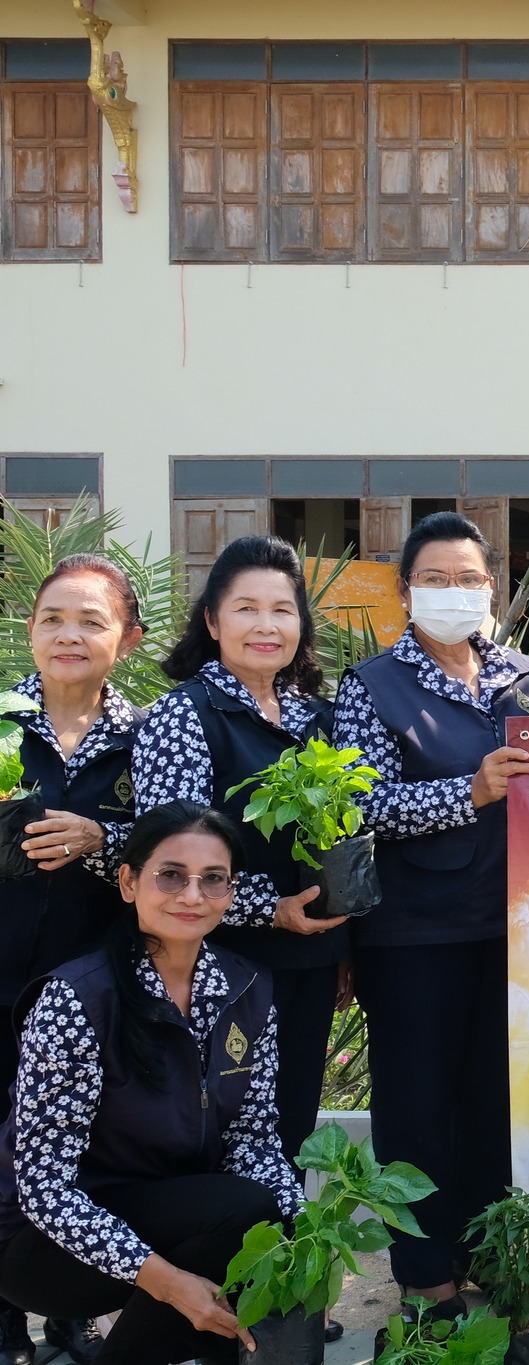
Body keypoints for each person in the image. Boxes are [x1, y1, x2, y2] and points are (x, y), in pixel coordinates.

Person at [330, 513, 529, 1327]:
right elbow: (361, 805)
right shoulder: (373, 685)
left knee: (496, 1102)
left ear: (492, 587)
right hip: (414, 933)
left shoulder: (523, 675)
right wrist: (471, 791)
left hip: (516, 926)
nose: (455, 593)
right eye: (437, 579)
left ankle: (486, 1253)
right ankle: (424, 1278)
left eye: (470, 579)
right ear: (407, 590)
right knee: (417, 1109)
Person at [0, 801, 300, 1365]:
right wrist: (162, 1279)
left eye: (214, 879)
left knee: (265, 1219)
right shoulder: (77, 998)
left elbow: (254, 1140)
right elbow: (44, 1187)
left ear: (231, 892)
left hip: (168, 1211)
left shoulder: (247, 988)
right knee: (238, 1218)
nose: (192, 896)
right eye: (171, 875)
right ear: (128, 881)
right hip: (39, 1246)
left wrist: (306, 1241)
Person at [131, 537, 338, 1171]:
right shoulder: (183, 716)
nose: (266, 625)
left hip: (309, 957)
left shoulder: (318, 719)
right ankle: (215, 1267)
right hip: (218, 961)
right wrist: (269, 908)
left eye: (283, 609)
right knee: (222, 1126)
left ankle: (282, 1261)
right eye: (246, 608)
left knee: (291, 1121)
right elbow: (171, 861)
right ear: (212, 621)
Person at [0, 556, 149, 1365]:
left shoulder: (145, 735)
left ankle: (70, 1308)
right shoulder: (0, 720)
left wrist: (105, 839)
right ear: (31, 629)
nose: (69, 634)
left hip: (96, 983)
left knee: (86, 1143)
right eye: (54, 617)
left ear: (123, 639)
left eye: (91, 620)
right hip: (1, 971)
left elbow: (175, 844)